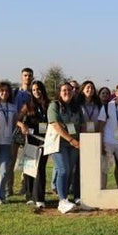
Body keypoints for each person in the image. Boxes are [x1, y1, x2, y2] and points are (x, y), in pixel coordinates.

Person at [47, 82, 85, 214]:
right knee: (63, 170)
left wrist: (81, 140)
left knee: (70, 171)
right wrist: (71, 140)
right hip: (59, 144)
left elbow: (82, 124)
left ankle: (65, 199)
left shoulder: (76, 107)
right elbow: (55, 125)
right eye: (64, 90)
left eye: (69, 90)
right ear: (59, 92)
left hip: (74, 144)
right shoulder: (54, 106)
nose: (67, 92)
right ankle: (62, 200)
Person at [15, 81, 50, 208]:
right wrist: (22, 125)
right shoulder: (28, 106)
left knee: (40, 168)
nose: (36, 92)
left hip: (45, 140)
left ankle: (39, 197)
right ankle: (29, 196)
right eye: (34, 90)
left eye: (38, 89)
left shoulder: (49, 105)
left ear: (42, 90)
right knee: (30, 167)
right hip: (31, 139)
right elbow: (17, 120)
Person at [7, 67, 34, 196]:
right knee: (10, 161)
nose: (27, 77)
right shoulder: (14, 93)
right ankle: (8, 188)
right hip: (14, 130)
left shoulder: (35, 93)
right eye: (25, 75)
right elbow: (11, 114)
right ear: (21, 77)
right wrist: (19, 124)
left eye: (29, 75)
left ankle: (25, 187)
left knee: (28, 161)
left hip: (29, 131)